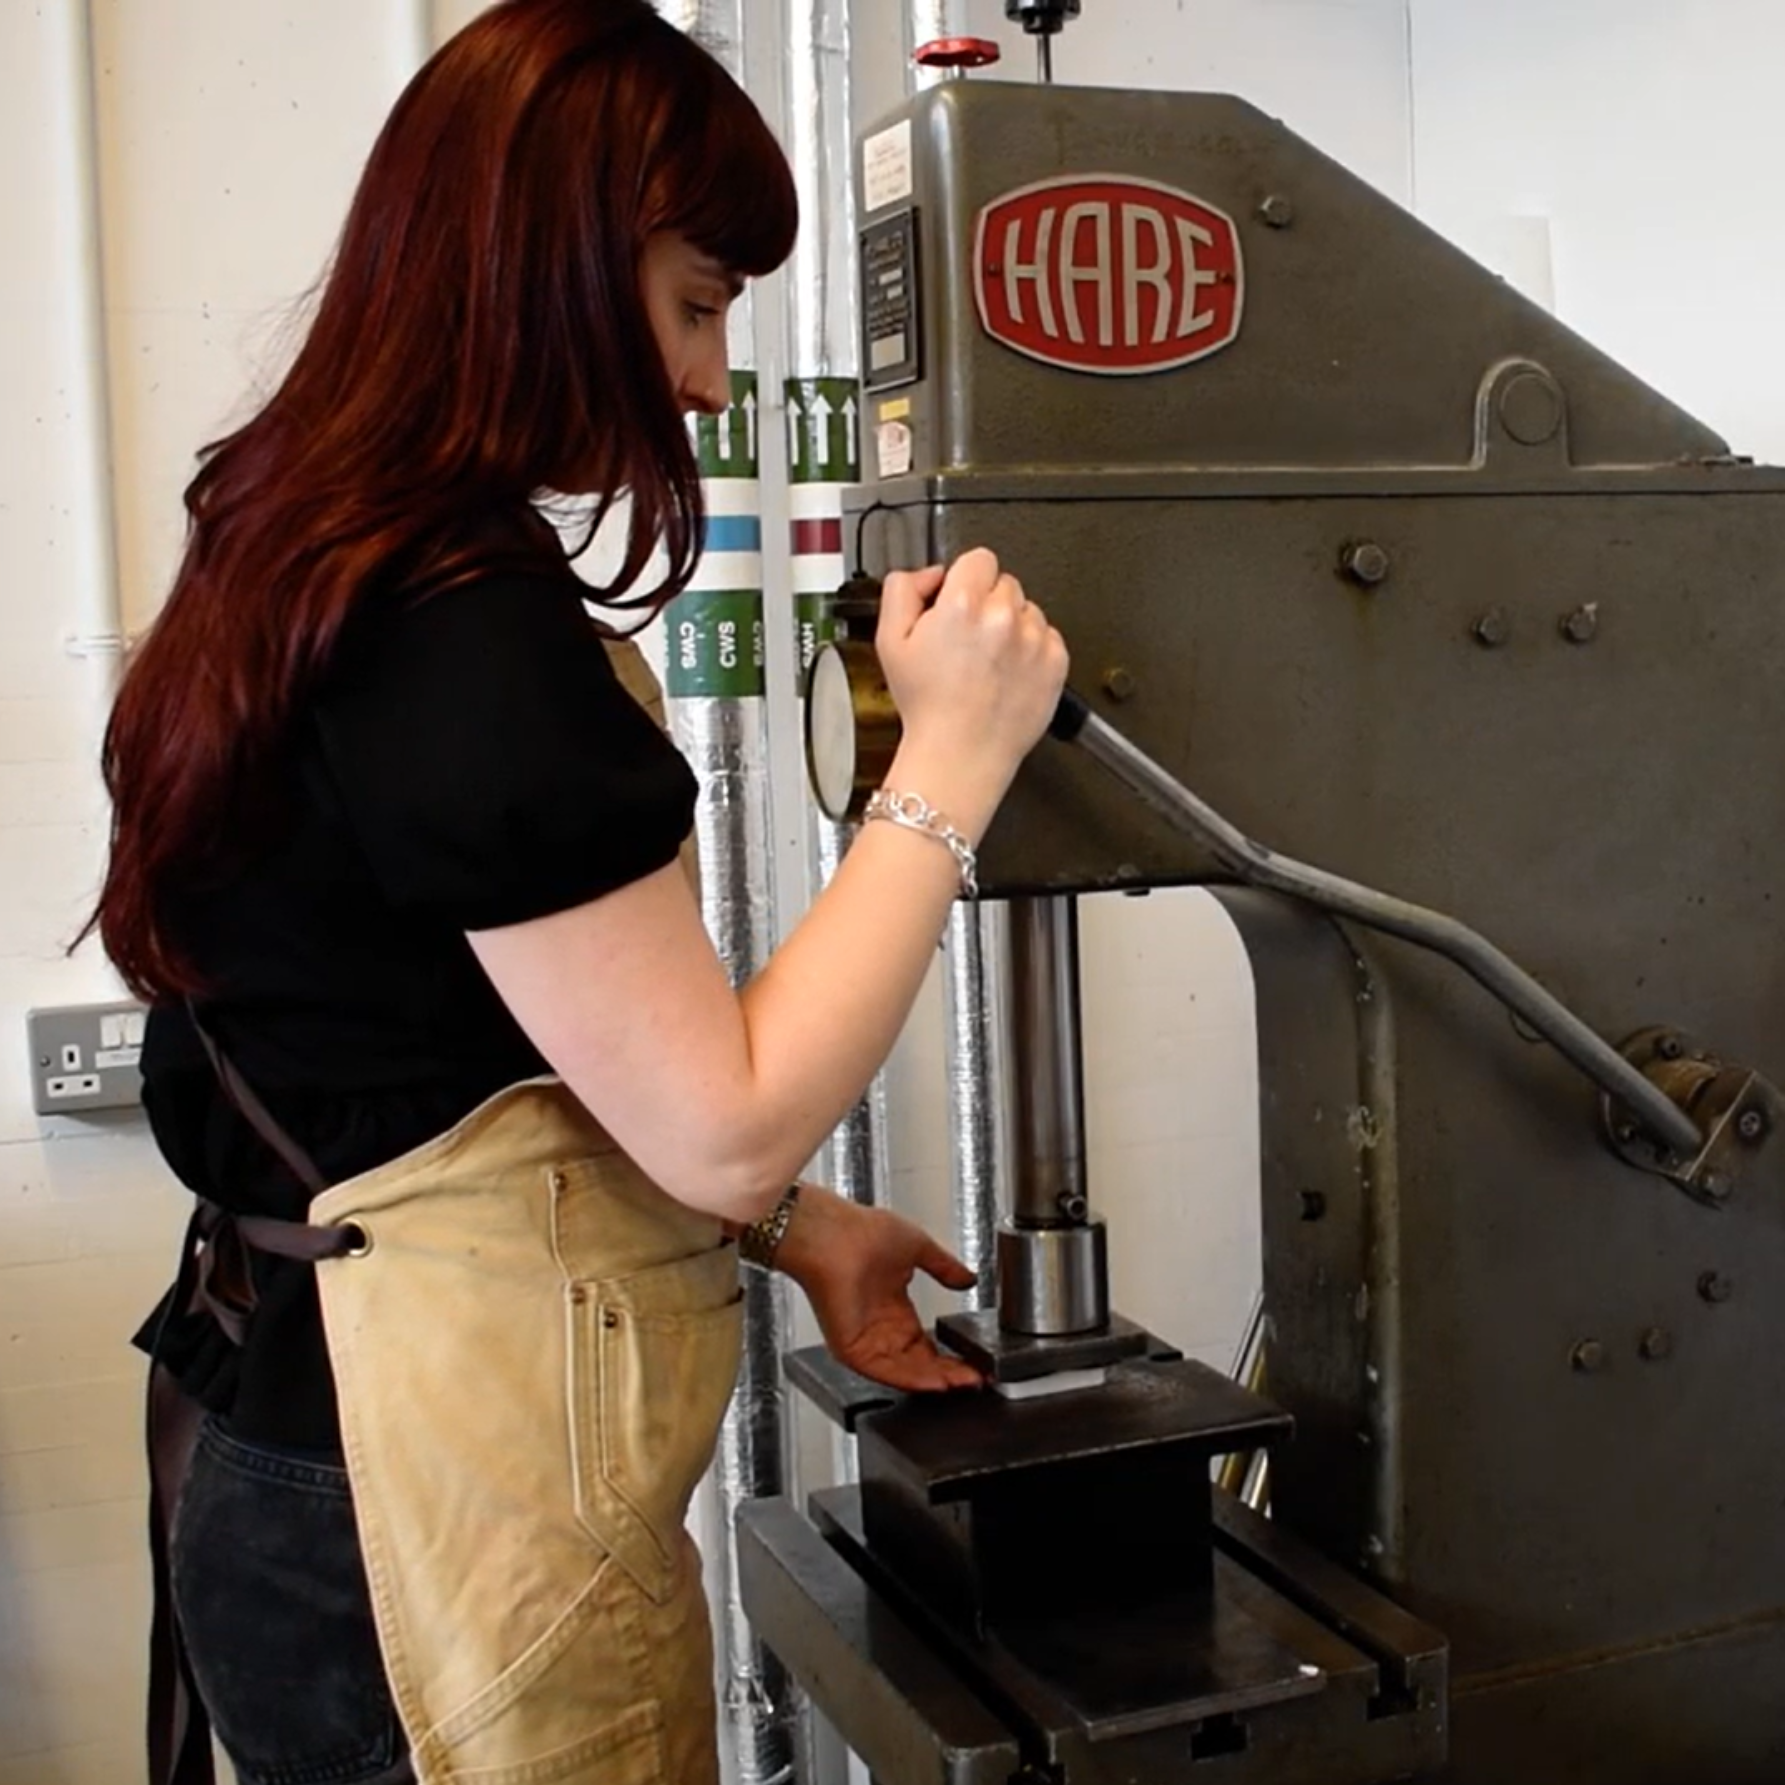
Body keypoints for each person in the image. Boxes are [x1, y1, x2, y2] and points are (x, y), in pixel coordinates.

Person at [88, 2, 1067, 1783]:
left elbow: (432, 1058)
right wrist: (955, 763)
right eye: (695, 304)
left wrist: (796, 1236)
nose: (707, 382)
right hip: (425, 1516)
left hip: (300, 1445)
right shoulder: (458, 623)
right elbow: (723, 1126)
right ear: (544, 263)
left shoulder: (302, 546)